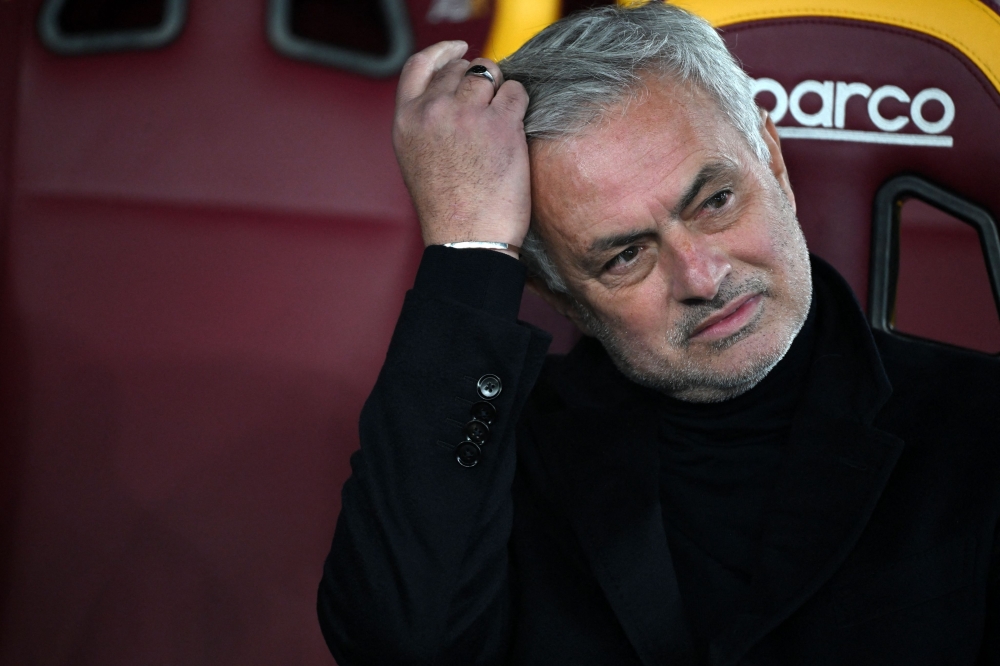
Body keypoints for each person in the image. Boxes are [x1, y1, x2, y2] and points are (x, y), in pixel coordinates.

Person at [317, 3, 1000, 664]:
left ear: (774, 162)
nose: (701, 275)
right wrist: (467, 252)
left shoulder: (983, 425)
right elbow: (396, 644)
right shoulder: (501, 458)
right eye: (625, 255)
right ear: (560, 295)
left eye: (716, 201)